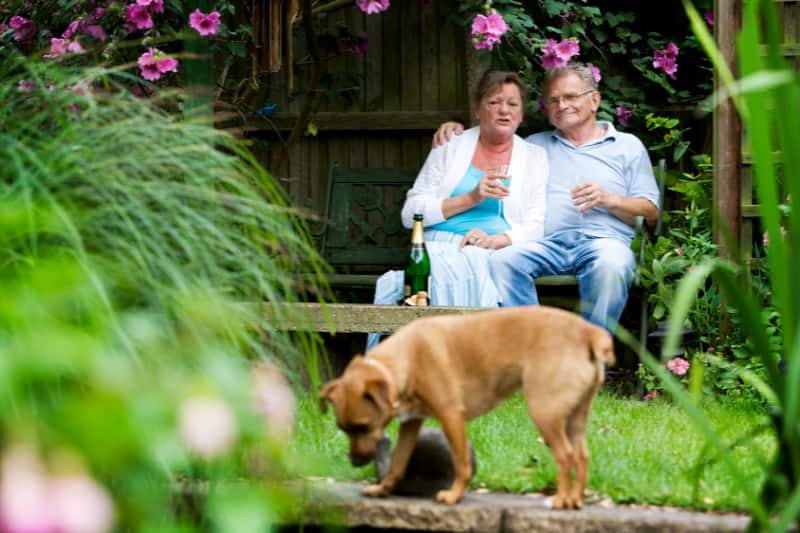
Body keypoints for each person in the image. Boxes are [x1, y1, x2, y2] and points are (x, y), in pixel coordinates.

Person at [433, 62, 660, 333]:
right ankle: (537, 351)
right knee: (501, 261)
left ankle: (587, 359)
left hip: (604, 243)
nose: (562, 105)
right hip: (545, 243)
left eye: (570, 97)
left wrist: (609, 199)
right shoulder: (534, 145)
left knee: (612, 266)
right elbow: (488, 139)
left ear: (594, 100)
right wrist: (454, 131)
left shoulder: (626, 146)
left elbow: (651, 212)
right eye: (554, 100)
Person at [366, 69, 549, 350]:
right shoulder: (451, 145)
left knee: (476, 262)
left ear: (522, 114)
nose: (504, 111)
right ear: (477, 108)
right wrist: (471, 197)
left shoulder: (534, 157)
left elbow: (535, 225)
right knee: (443, 266)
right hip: (438, 246)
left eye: (513, 104)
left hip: (494, 249)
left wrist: (493, 240)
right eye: (494, 102)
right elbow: (410, 213)